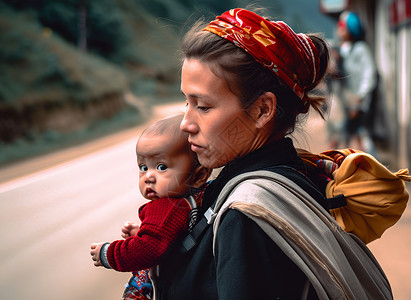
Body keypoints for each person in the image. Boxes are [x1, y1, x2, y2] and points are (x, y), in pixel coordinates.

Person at [152, 8, 394, 299]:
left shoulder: (246, 215)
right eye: (186, 102)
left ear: (262, 110)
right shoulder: (296, 175)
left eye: (203, 106)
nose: (186, 124)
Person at [89, 114, 211, 299]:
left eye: (162, 167)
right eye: (143, 167)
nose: (148, 177)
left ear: (198, 175)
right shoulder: (198, 197)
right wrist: (145, 231)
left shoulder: (165, 206)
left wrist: (107, 253)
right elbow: (174, 234)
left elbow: (147, 250)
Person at [335, 11, 378, 155]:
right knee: (352, 133)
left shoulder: (361, 50)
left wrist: (360, 98)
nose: (340, 31)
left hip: (360, 102)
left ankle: (374, 165)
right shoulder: (346, 50)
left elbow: (369, 75)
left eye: (343, 28)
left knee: (361, 133)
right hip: (351, 101)